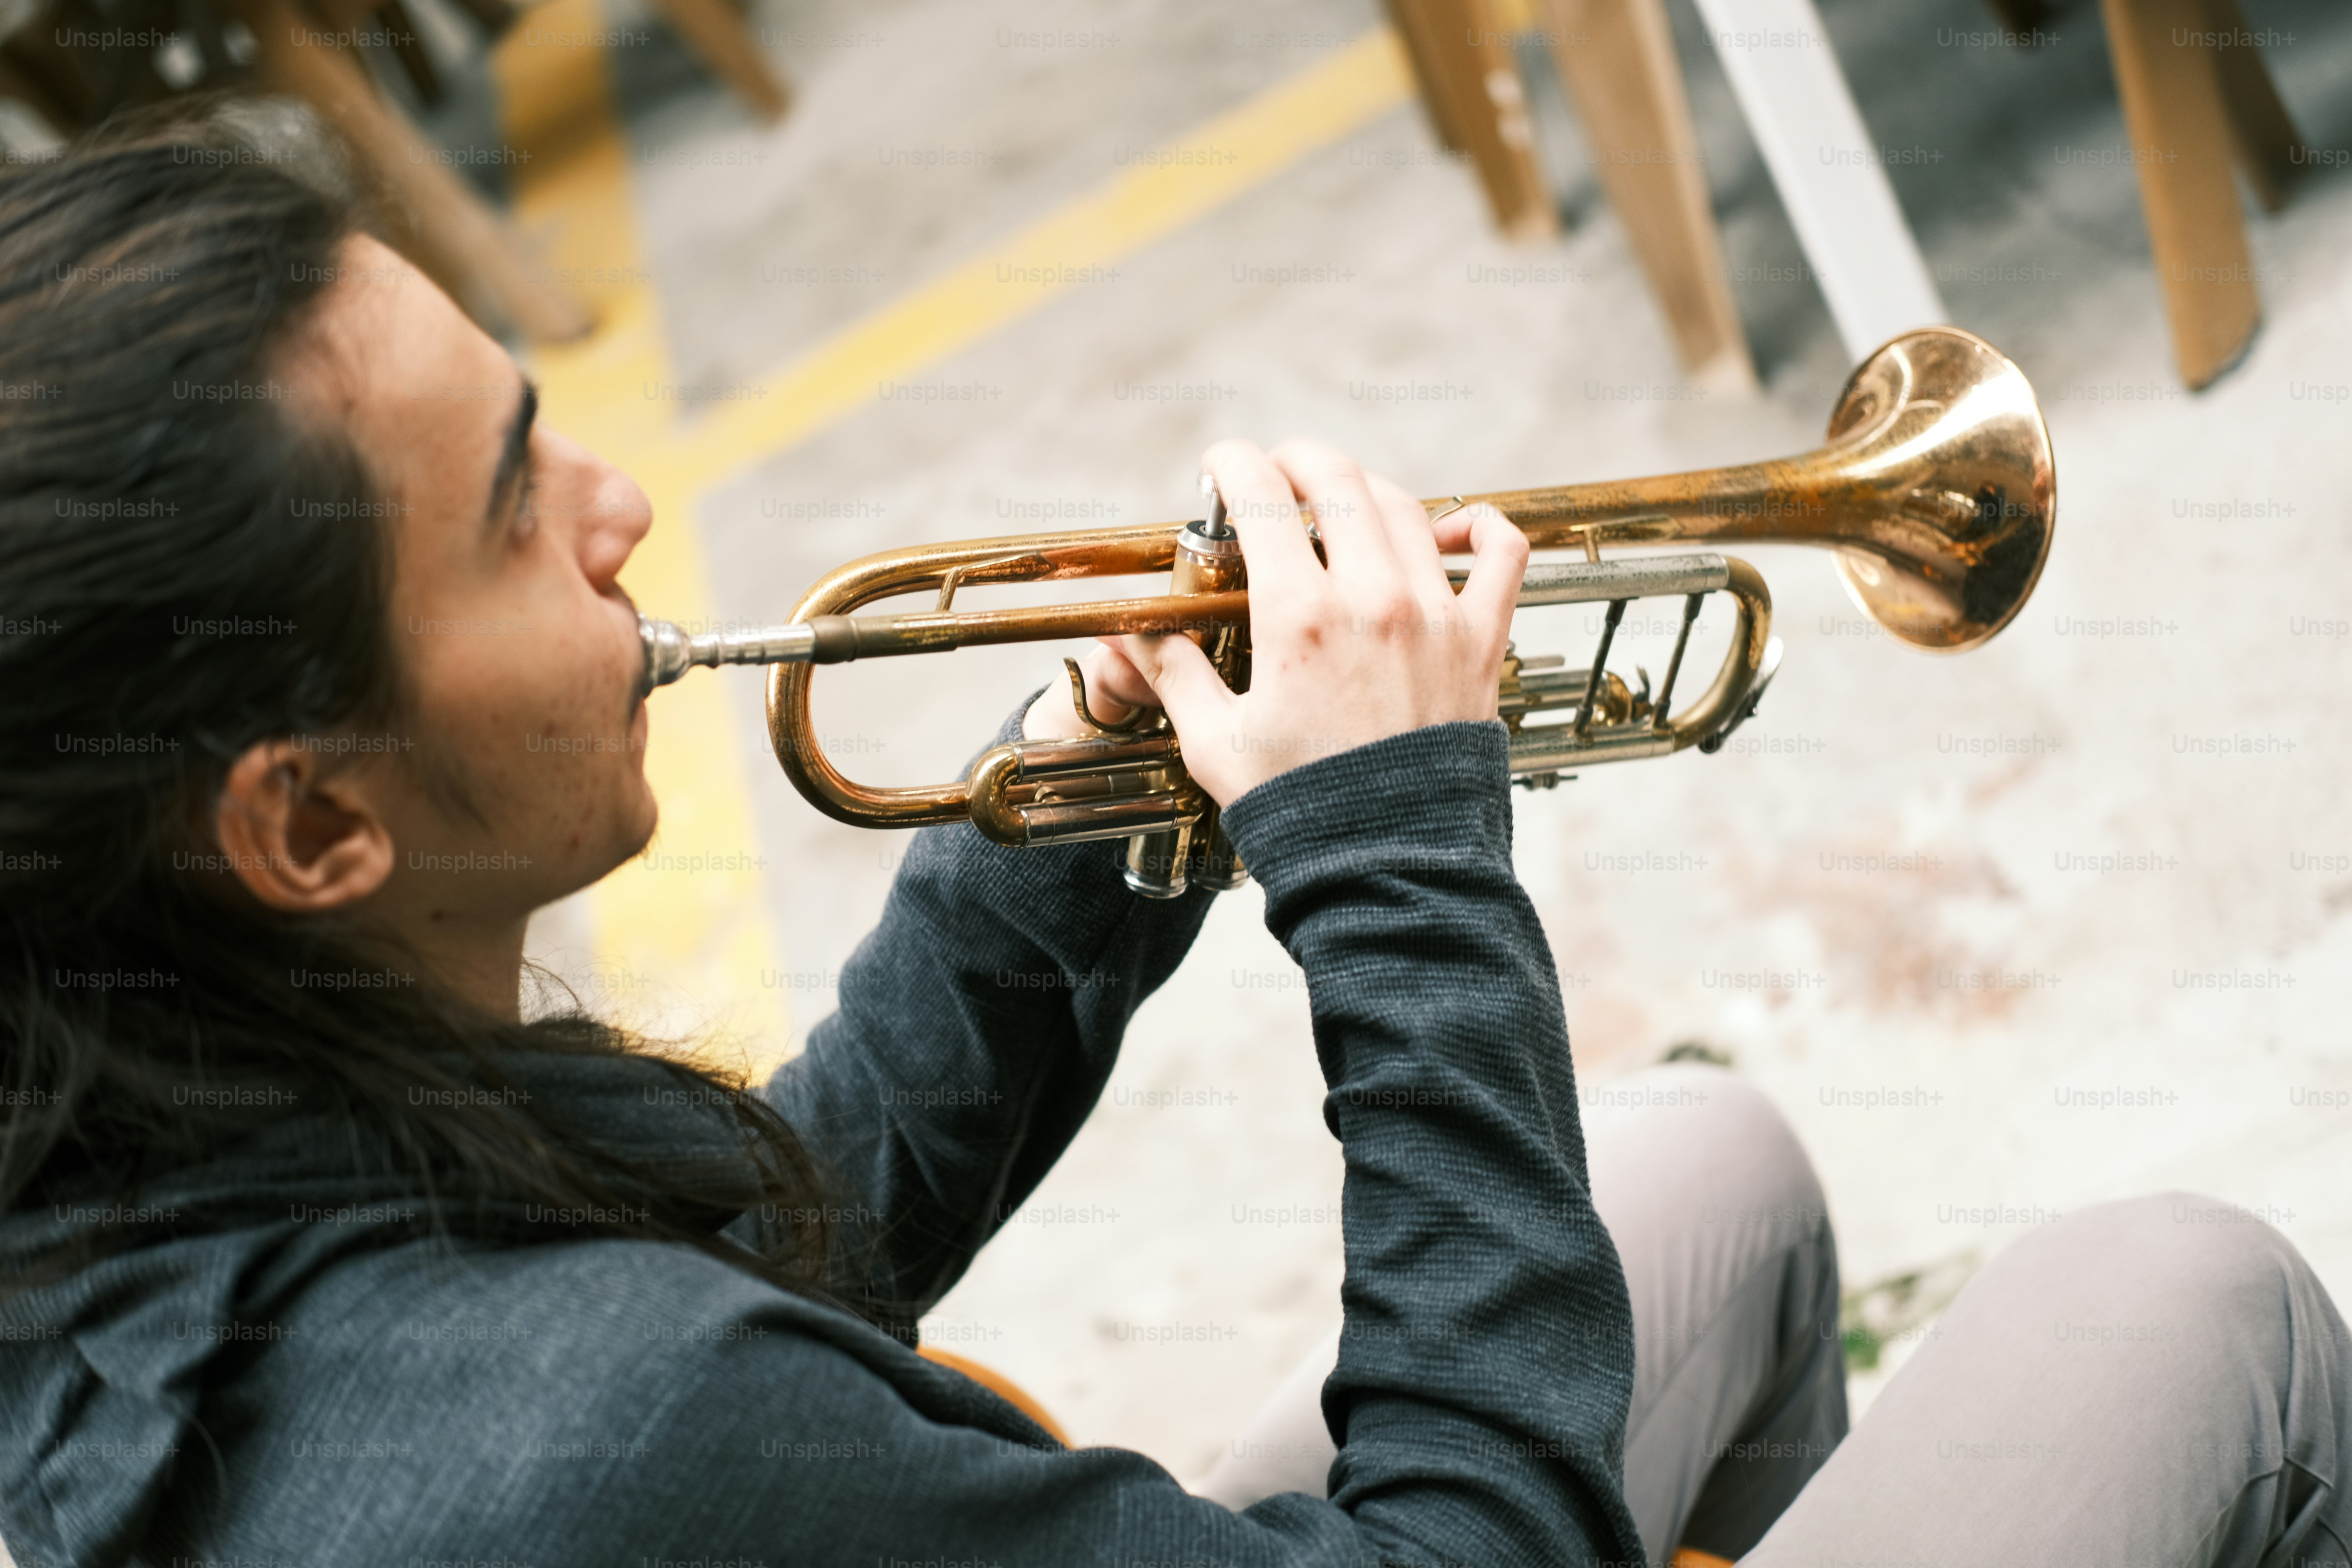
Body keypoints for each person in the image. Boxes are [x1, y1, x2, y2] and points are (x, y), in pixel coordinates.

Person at [2, 106, 2347, 1568]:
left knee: (1704, 1163)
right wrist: (1396, 853)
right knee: (2191, 1302)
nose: (621, 507)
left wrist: (1080, 799)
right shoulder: (586, 1451)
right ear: (302, 820)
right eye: (517, 512)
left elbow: (770, 1253)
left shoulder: (162, 1177)